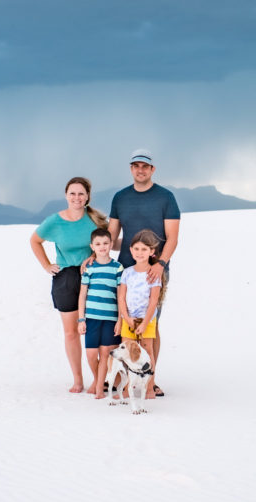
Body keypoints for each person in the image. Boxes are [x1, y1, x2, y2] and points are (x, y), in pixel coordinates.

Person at [107, 149, 180, 396]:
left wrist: (160, 265)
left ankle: (151, 380)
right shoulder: (120, 198)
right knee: (126, 322)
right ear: (131, 169)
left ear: (152, 169)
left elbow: (172, 238)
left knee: (151, 325)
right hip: (126, 271)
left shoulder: (166, 197)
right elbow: (113, 236)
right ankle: (128, 381)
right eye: (136, 166)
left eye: (145, 166)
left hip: (154, 272)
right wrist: (97, 253)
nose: (140, 170)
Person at [30, 177, 108, 393]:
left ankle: (99, 379)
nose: (77, 197)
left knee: (96, 329)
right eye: (72, 193)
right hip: (65, 279)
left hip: (92, 276)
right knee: (71, 332)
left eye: (81, 193)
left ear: (87, 197)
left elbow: (105, 242)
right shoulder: (54, 221)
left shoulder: (95, 219)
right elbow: (34, 241)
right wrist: (47, 265)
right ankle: (77, 380)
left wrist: (92, 255)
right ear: (66, 195)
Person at [76, 228, 123, 399]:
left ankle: (99, 390)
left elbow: (120, 296)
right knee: (90, 354)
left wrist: (120, 320)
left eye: (105, 243)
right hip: (91, 318)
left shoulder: (118, 267)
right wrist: (81, 319)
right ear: (92, 246)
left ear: (111, 244)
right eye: (98, 244)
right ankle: (98, 380)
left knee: (105, 353)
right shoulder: (89, 268)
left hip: (110, 318)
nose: (102, 247)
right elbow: (82, 295)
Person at [117, 230, 164, 399]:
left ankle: (149, 387)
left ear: (152, 252)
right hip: (129, 319)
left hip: (147, 320)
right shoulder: (127, 272)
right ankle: (127, 387)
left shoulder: (153, 274)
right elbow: (121, 297)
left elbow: (153, 301)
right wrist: (126, 318)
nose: (139, 252)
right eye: (136, 248)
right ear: (130, 250)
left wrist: (144, 322)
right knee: (127, 353)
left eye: (144, 249)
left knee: (147, 351)